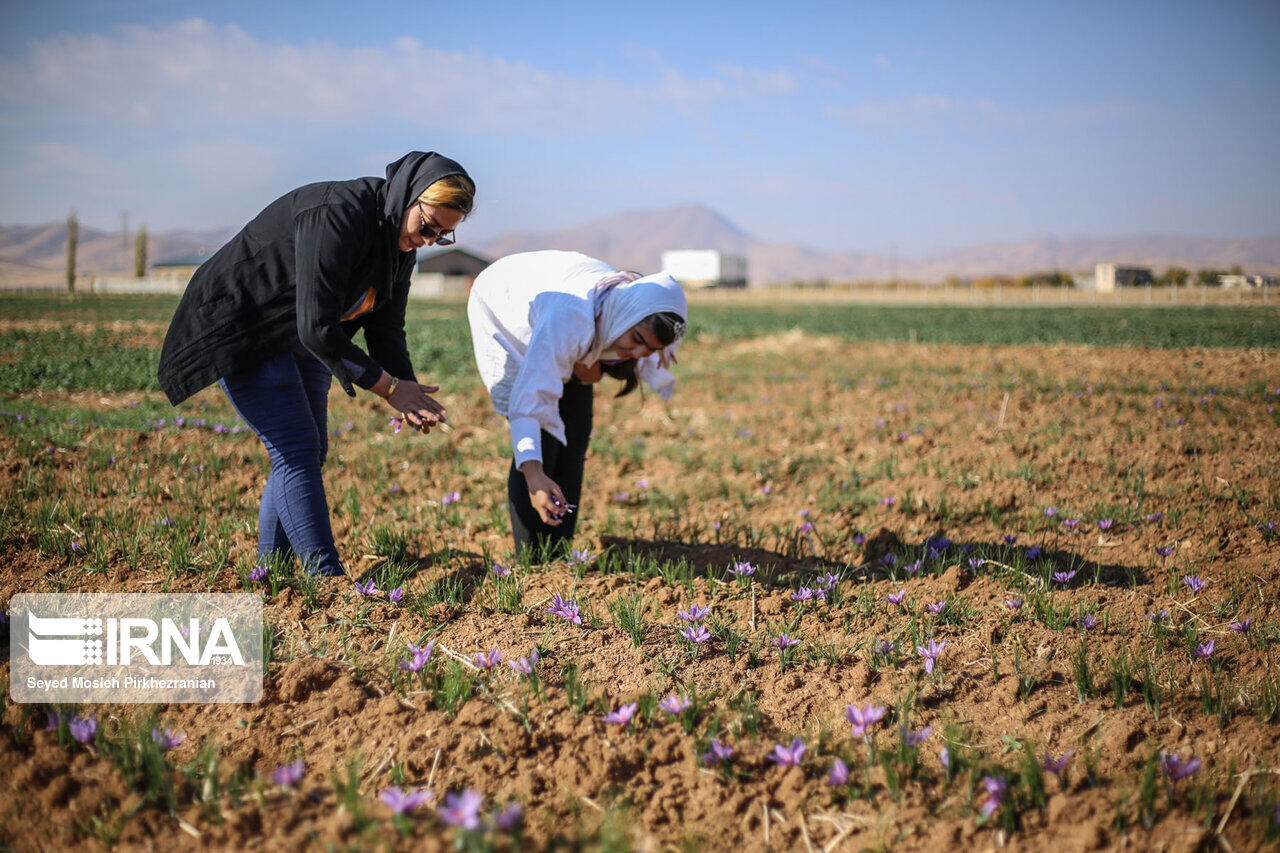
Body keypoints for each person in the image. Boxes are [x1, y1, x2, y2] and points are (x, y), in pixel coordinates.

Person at [158, 151, 475, 577]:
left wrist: (407, 387)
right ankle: (326, 579)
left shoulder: (399, 248)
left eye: (442, 236)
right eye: (428, 226)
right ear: (408, 198)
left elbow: (386, 328)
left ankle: (271, 573)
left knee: (308, 450)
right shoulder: (339, 214)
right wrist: (386, 386)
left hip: (303, 334)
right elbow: (316, 325)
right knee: (296, 449)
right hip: (246, 323)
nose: (429, 239)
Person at [467, 250, 687, 559]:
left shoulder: (635, 306)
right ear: (626, 316)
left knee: (575, 436)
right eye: (638, 340)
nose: (639, 354)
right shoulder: (568, 320)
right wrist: (533, 474)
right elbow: (528, 404)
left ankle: (558, 552)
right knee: (541, 439)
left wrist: (656, 345)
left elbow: (660, 308)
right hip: (506, 309)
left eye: (649, 349)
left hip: (572, 315)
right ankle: (532, 561)